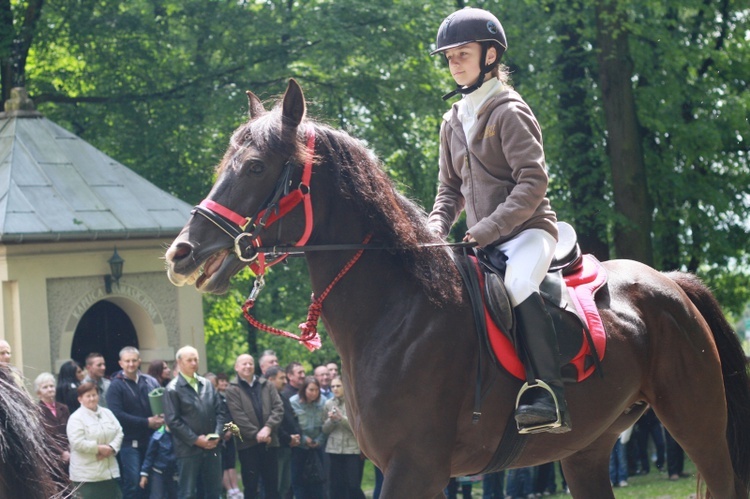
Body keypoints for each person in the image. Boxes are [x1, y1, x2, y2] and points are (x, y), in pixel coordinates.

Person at [427, 7, 568, 433]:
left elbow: (533, 182)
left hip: (528, 231)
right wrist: (434, 228)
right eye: (449, 56)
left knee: (518, 284)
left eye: (463, 53)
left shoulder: (509, 110)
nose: (454, 63)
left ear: (490, 55)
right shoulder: (452, 122)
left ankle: (548, 392)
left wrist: (488, 227)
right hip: (481, 239)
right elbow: (448, 192)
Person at [164, 345, 228, 499]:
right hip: (188, 450)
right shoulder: (172, 389)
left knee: (215, 491)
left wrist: (217, 435)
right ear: (179, 362)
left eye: (196, 360)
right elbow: (173, 421)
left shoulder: (207, 384)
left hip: (212, 447)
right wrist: (196, 440)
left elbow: (220, 413)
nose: (194, 363)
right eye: (189, 360)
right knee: (188, 493)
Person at [106, 346, 164, 499]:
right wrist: (146, 422)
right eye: (127, 361)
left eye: (133, 360)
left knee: (152, 482)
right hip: (129, 444)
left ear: (139, 361)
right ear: (121, 363)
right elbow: (117, 415)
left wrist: (161, 417)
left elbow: (163, 404)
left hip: (152, 442)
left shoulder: (150, 382)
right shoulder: (115, 386)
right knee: (133, 484)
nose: (131, 364)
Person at [225, 354, 284, 498]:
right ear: (236, 367)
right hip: (248, 445)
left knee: (272, 486)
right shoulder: (232, 389)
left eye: (250, 363)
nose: (248, 366)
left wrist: (268, 428)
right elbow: (238, 417)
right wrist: (258, 435)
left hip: (270, 442)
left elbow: (279, 408)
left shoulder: (267, 384)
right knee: (251, 487)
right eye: (244, 364)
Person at [66, 382, 124, 498]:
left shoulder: (107, 413)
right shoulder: (75, 418)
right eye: (88, 396)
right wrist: (99, 449)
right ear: (80, 399)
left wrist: (111, 448)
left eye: (94, 395)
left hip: (109, 474)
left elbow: (119, 432)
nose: (92, 399)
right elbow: (77, 442)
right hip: (87, 477)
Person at [322, 376, 365, 499]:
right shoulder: (328, 403)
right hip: (334, 450)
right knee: (336, 485)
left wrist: (341, 419)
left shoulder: (354, 402)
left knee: (353, 485)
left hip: (352, 450)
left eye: (338, 386)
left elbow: (357, 428)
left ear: (345, 386)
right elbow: (324, 429)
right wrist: (332, 421)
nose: (335, 389)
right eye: (333, 386)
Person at [265, 366, 302, 499]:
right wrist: (288, 438)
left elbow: (292, 418)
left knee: (285, 487)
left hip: (288, 447)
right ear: (270, 379)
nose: (285, 381)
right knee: (276, 486)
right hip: (277, 447)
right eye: (282, 378)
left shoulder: (282, 396)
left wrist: (296, 436)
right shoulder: (267, 398)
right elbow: (274, 423)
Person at [290, 376, 327, 499]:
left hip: (317, 447)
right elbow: (292, 425)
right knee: (299, 481)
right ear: (304, 389)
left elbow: (326, 426)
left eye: (317, 390)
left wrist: (319, 440)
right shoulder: (294, 402)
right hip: (300, 447)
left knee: (318, 482)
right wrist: (304, 439)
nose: (314, 393)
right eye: (311, 390)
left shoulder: (323, 402)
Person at [35, 372, 71, 478]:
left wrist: (69, 450)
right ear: (38, 393)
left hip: (69, 455)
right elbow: (44, 436)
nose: (50, 389)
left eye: (51, 386)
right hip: (51, 457)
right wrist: (61, 453)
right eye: (45, 387)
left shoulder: (63, 408)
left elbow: (70, 430)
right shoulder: (36, 410)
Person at [139, 425, 179, 499]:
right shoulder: (158, 435)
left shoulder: (180, 434)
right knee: (157, 496)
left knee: (175, 495)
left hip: (174, 473)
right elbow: (149, 456)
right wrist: (144, 474)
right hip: (158, 471)